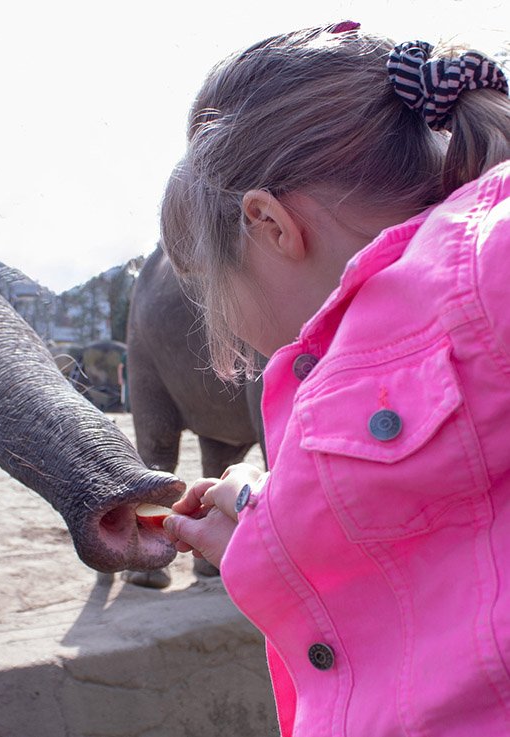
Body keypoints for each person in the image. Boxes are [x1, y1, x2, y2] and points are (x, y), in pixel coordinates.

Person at [158, 21, 510, 737]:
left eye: (217, 284)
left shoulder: (480, 265)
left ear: (270, 225)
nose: (226, 318)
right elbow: (427, 533)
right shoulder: (358, 355)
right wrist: (262, 529)